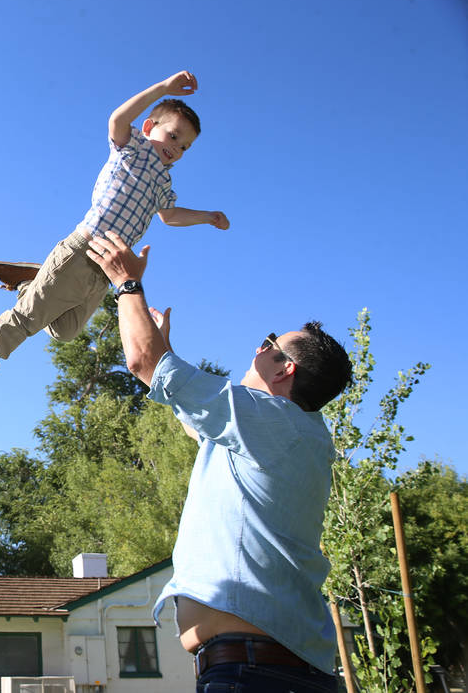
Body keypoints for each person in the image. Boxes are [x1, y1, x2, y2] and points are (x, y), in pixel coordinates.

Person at [86, 231, 352, 692]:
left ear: (283, 368)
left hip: (257, 674)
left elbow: (144, 362)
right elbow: (192, 419)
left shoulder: (275, 421)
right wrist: (161, 362)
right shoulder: (286, 434)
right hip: (267, 670)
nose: (257, 347)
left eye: (268, 342)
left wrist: (126, 284)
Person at [0, 70, 229, 425]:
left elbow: (169, 216)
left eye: (184, 147)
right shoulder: (132, 149)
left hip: (106, 272)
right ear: (149, 128)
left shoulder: (164, 182)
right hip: (83, 249)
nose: (176, 148)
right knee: (27, 320)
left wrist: (207, 216)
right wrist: (163, 88)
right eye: (173, 135)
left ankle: (32, 282)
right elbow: (118, 118)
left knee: (65, 331)